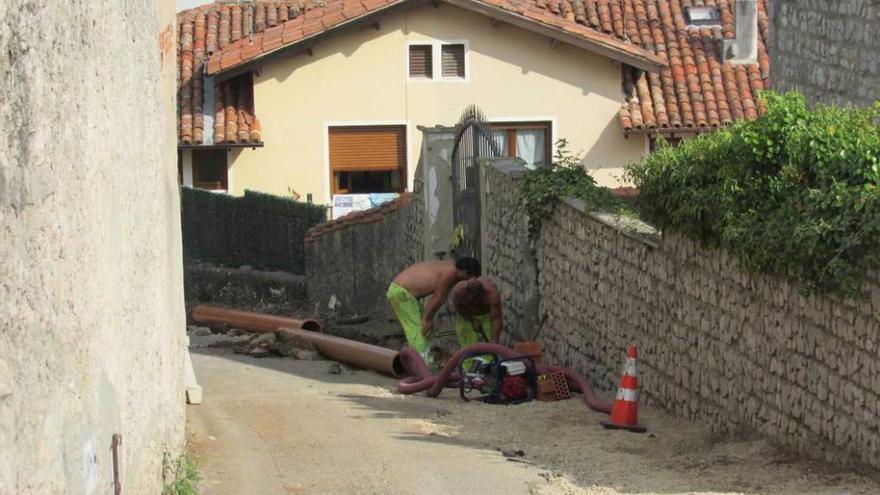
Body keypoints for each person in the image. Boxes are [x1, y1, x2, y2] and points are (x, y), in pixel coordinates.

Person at [386, 257, 481, 368]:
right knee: (418, 332)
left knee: (426, 331)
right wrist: (427, 319)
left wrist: (428, 318)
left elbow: (441, 298)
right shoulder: (451, 273)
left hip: (406, 295)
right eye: (470, 277)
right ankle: (424, 368)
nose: (469, 281)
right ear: (464, 272)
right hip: (401, 292)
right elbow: (438, 297)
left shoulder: (451, 270)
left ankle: (423, 362)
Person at [451, 276, 503, 348]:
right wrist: (472, 320)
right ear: (466, 293)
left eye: (478, 299)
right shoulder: (459, 291)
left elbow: (496, 318)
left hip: (486, 317)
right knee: (468, 347)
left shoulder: (492, 296)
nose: (476, 303)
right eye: (473, 300)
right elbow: (458, 308)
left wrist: (494, 341)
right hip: (466, 316)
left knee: (488, 347)